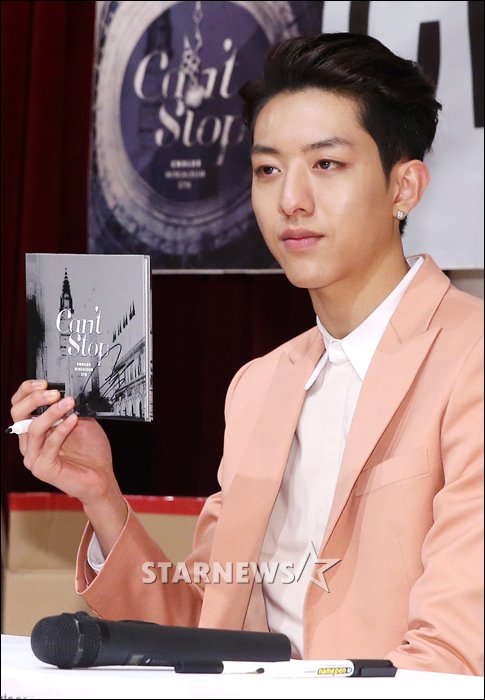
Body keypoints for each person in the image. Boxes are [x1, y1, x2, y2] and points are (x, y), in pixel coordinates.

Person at [10, 33, 483, 675]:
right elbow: (209, 631)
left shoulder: (470, 358)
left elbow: (453, 653)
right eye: (268, 170)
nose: (291, 200)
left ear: (405, 186)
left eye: (326, 164)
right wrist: (101, 494)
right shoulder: (259, 385)